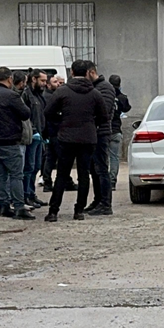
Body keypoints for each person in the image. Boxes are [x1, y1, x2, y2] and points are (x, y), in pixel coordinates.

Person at [43, 60, 103, 222]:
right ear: (87, 73)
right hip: (88, 138)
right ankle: (79, 211)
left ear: (71, 72)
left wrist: (61, 122)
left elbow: (48, 112)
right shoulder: (95, 94)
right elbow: (104, 117)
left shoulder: (62, 92)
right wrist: (91, 124)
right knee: (84, 175)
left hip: (66, 137)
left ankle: (53, 211)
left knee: (62, 174)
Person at [0, 67, 34, 219]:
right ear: (10, 79)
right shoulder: (12, 96)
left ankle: (3, 205)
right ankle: (19, 206)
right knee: (16, 175)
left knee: (0, 175)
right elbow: (25, 113)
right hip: (10, 140)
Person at [89, 69, 117, 217]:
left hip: (101, 133)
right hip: (95, 133)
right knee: (95, 170)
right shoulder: (96, 87)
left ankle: (105, 204)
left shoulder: (104, 87)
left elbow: (103, 111)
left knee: (101, 168)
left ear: (91, 72)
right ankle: (98, 200)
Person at [21, 71, 49, 208]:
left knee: (36, 166)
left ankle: (31, 194)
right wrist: (33, 131)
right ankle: (26, 195)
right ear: (34, 79)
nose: (44, 84)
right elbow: (25, 116)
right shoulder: (27, 95)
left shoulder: (39, 96)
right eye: (42, 81)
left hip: (39, 137)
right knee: (29, 167)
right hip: (31, 136)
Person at [107, 73, 131, 184]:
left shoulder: (104, 96)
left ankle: (103, 180)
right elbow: (127, 108)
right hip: (116, 130)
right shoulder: (122, 97)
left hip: (104, 130)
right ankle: (112, 180)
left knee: (102, 157)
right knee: (114, 157)